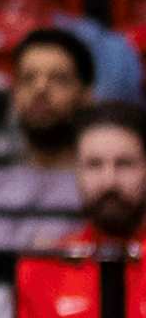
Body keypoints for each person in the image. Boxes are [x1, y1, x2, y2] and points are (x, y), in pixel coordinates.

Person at [0, 27, 102, 245]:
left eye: (59, 79)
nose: (40, 88)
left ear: (87, 96)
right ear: (15, 92)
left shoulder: (104, 187)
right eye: (28, 78)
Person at [21, 103, 146, 317]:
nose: (109, 181)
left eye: (124, 164)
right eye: (94, 165)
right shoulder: (39, 268)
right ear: (76, 171)